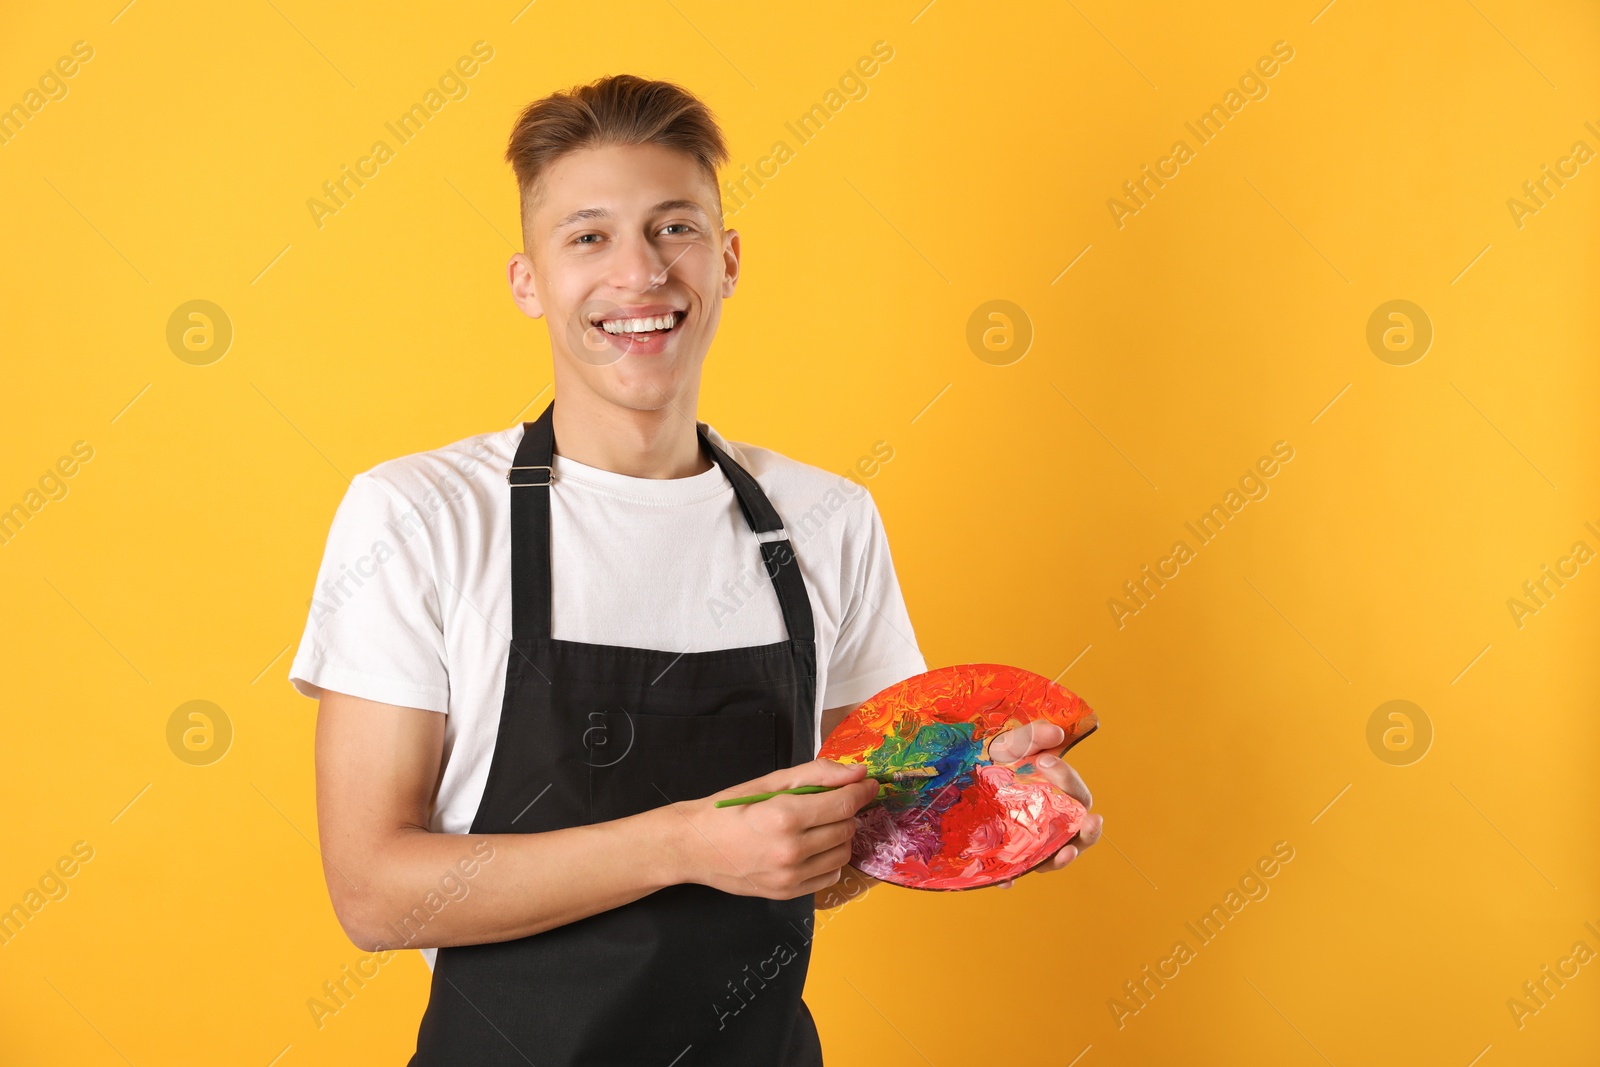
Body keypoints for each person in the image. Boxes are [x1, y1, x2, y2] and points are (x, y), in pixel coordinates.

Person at [289, 73, 1101, 1066]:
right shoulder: (420, 516)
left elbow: (851, 843)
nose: (638, 273)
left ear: (725, 262)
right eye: (588, 236)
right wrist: (680, 841)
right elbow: (373, 891)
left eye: (673, 229)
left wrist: (990, 812)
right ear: (528, 282)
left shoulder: (826, 520)